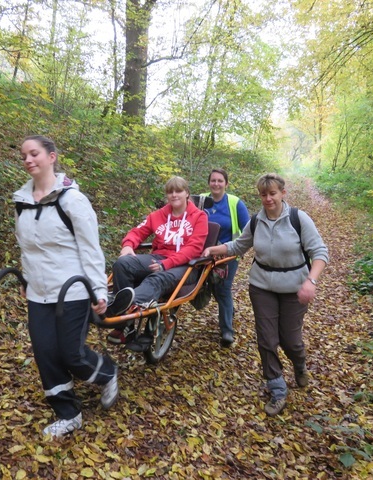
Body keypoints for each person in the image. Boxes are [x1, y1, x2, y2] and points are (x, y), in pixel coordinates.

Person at [13, 135, 118, 437]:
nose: (28, 160)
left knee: (71, 354)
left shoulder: (72, 200)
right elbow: (26, 247)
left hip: (72, 291)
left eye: (34, 154)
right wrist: (27, 279)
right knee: (45, 354)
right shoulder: (21, 202)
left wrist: (99, 290)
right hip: (39, 294)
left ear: (52, 157)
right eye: (24, 156)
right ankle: (68, 413)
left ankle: (108, 373)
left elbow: (90, 248)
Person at [203, 173, 328, 417]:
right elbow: (238, 245)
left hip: (294, 287)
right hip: (261, 286)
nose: (268, 198)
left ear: (283, 193)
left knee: (290, 339)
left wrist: (311, 281)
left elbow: (320, 252)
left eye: (272, 193)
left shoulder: (298, 219)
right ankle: (277, 387)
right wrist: (212, 249)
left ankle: (299, 364)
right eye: (263, 194)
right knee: (267, 339)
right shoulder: (256, 221)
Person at [106, 176, 209, 344]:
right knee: (123, 263)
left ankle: (124, 307)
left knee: (157, 278)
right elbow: (136, 232)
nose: (174, 195)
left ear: (187, 194)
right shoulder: (158, 215)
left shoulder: (199, 217)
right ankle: (127, 324)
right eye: (170, 192)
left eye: (178, 191)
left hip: (186, 266)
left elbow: (194, 249)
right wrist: (127, 245)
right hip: (158, 257)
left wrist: (166, 264)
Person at [202, 168, 250, 347]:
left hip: (226, 255)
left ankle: (227, 331)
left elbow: (248, 229)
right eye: (213, 180)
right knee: (211, 287)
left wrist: (236, 250)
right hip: (202, 254)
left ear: (226, 184)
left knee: (222, 289)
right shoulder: (201, 200)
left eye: (220, 181)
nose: (216, 184)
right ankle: (229, 310)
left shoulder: (235, 203)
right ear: (209, 183)